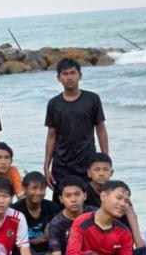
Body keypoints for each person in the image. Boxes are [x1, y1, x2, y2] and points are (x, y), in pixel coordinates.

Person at [44, 58, 108, 202]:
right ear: (59, 78)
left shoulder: (92, 99)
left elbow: (101, 130)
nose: (69, 77)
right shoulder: (54, 104)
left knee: (89, 202)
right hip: (61, 163)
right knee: (62, 203)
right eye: (65, 74)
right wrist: (46, 166)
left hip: (87, 161)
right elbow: (51, 136)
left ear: (80, 75)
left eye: (73, 73)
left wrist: (105, 160)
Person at [86, 153, 146, 255]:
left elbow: (131, 213)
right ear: (89, 173)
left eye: (105, 170)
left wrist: (138, 238)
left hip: (118, 233)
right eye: (97, 170)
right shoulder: (84, 191)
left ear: (111, 173)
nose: (101, 173)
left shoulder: (117, 188)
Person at [47, 176, 96, 255]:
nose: (73, 199)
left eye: (77, 194)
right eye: (68, 196)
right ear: (61, 199)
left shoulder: (96, 214)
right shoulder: (56, 224)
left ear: (85, 196)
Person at [12, 171, 59, 254]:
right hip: (22, 254)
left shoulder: (53, 208)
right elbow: (12, 240)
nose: (38, 193)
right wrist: (39, 240)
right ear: (24, 189)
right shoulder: (15, 210)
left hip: (48, 253)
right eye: (34, 188)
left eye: (42, 189)